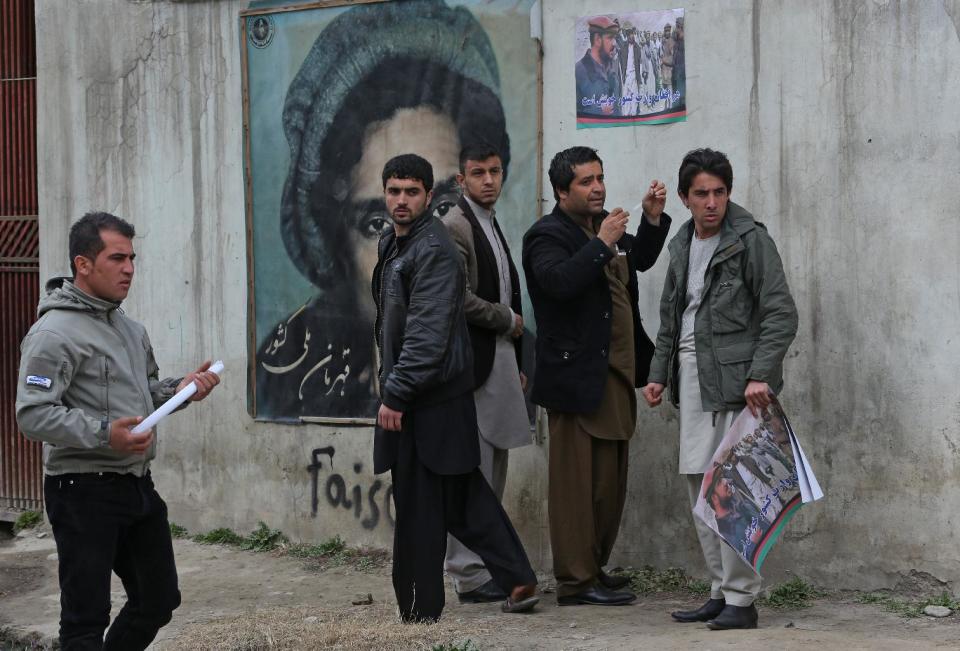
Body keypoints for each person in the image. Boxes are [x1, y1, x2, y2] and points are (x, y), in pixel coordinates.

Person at [255, 0, 514, 421]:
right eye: (378, 222)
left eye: (444, 207)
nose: (416, 255)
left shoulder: (512, 351)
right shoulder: (284, 377)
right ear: (336, 241)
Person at [15, 212, 221, 650]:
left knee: (158, 599)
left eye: (132, 258)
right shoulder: (52, 333)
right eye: (117, 258)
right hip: (82, 491)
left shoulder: (129, 328)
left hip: (135, 485)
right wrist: (107, 434)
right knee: (85, 619)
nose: (129, 268)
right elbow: (32, 415)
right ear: (83, 264)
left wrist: (180, 391)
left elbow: (145, 394)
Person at [372, 154, 539, 622]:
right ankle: (518, 576)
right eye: (393, 190)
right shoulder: (394, 244)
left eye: (411, 191)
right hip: (427, 393)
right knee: (463, 497)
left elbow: (426, 334)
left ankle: (419, 613)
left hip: (429, 398)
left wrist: (397, 394)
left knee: (420, 506)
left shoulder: (434, 249)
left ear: (429, 195)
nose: (401, 200)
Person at [642, 148, 798, 630]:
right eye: (701, 194)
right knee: (699, 484)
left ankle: (742, 598)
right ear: (686, 198)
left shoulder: (750, 240)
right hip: (691, 377)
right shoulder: (683, 242)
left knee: (731, 491)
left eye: (720, 192)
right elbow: (673, 314)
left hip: (736, 383)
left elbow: (780, 313)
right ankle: (719, 588)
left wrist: (760, 374)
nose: (712, 202)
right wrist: (657, 373)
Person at [522, 147, 671, 606]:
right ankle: (574, 580)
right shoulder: (545, 235)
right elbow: (558, 284)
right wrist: (601, 243)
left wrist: (649, 221)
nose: (598, 187)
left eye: (600, 177)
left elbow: (638, 260)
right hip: (574, 379)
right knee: (575, 487)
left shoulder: (604, 224)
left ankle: (594, 566)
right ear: (561, 191)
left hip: (615, 375)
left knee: (608, 483)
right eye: (586, 181)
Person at [439, 144, 533, 604]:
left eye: (495, 171)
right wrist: (508, 320)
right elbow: (460, 299)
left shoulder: (488, 221)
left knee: (494, 465)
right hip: (473, 363)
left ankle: (483, 568)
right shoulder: (456, 226)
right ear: (462, 180)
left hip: (496, 359)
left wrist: (513, 359)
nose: (489, 180)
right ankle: (467, 573)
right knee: (474, 468)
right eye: (478, 173)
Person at [575, 16, 623, 117]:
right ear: (597, 40)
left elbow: (618, 108)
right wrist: (598, 112)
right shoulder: (578, 72)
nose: (614, 43)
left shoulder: (612, 71)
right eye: (610, 38)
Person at [659, 23, 674, 109]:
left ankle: (670, 108)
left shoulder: (671, 41)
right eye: (666, 31)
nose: (667, 32)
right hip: (664, 69)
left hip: (669, 70)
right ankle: (666, 107)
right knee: (665, 89)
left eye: (668, 31)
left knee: (669, 89)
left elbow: (673, 57)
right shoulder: (663, 41)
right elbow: (661, 54)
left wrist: (664, 60)